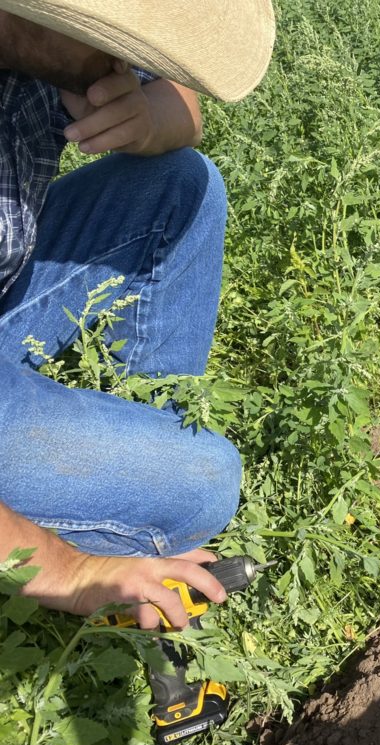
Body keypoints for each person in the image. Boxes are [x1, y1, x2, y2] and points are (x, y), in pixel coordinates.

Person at [0, 1, 275, 630]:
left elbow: (185, 112)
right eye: (115, 39)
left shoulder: (46, 45)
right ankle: (135, 528)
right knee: (202, 484)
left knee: (181, 183)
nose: (130, 61)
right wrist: (65, 570)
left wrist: (146, 118)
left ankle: (139, 463)